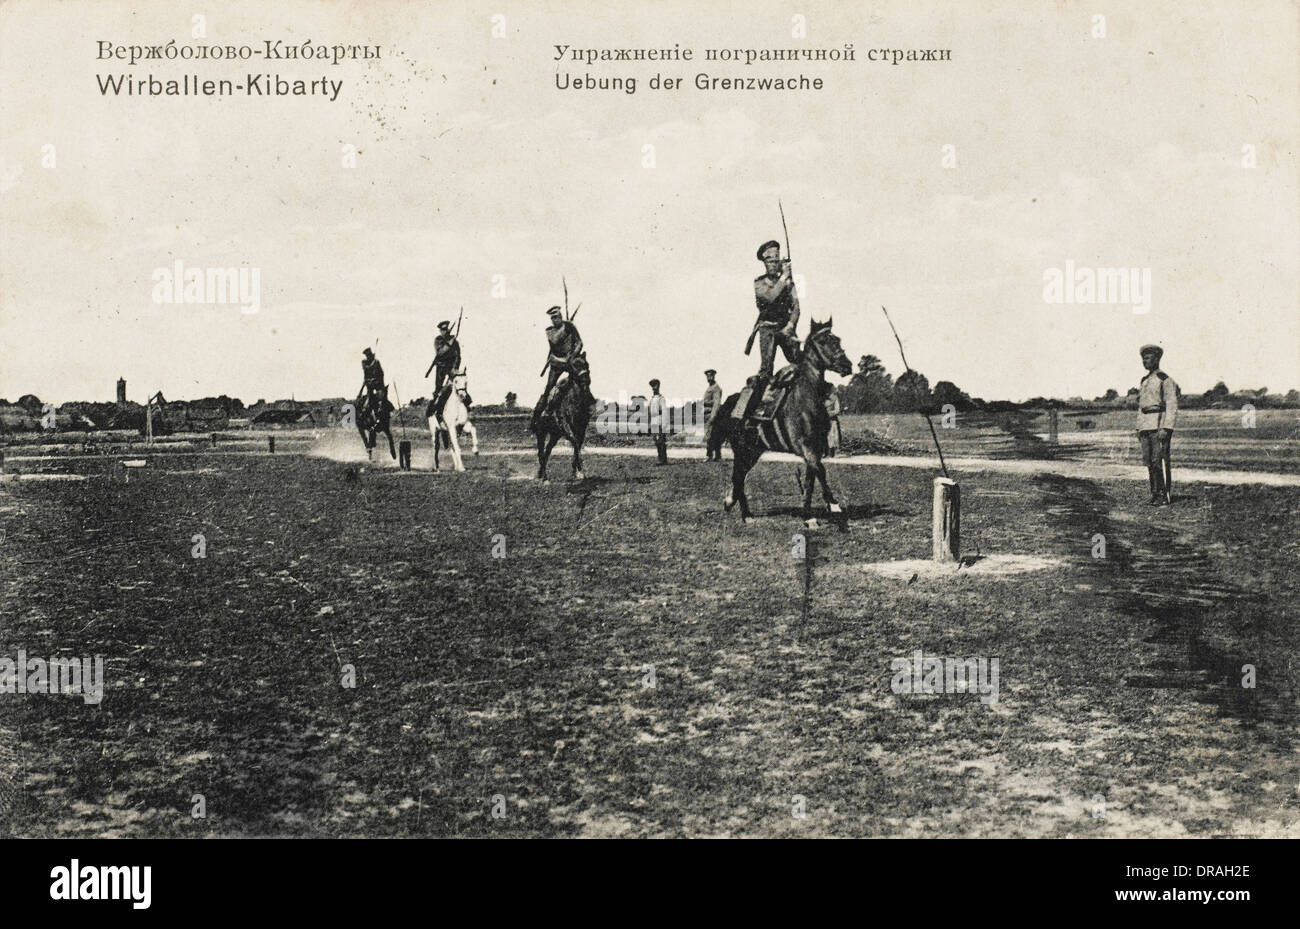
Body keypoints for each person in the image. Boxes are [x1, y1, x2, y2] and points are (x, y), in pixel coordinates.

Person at [735, 240, 800, 418]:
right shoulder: (759, 283)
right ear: (764, 263)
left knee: (801, 363)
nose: (774, 264)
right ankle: (755, 408)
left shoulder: (788, 282)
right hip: (767, 329)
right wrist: (783, 279)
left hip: (785, 329)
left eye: (777, 260)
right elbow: (769, 297)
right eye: (770, 260)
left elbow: (796, 307)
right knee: (766, 370)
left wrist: (790, 325)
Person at [533, 306, 590, 430]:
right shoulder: (550, 332)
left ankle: (587, 403)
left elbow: (579, 343)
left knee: (582, 378)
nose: (555, 320)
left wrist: (573, 354)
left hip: (571, 360)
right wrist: (566, 328)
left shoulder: (570, 326)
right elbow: (555, 344)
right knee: (549, 387)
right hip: (557, 362)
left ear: (561, 316)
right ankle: (541, 415)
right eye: (552, 318)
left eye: (557, 317)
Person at [1136, 344, 1178, 506]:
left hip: (1158, 425)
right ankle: (1154, 493)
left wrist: (1166, 428)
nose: (1144, 361)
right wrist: (1138, 428)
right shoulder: (1145, 381)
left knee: (1158, 460)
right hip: (1146, 426)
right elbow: (1141, 406)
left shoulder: (1165, 379)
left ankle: (1164, 495)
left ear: (1157, 358)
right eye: (1143, 359)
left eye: (1147, 358)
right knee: (1149, 461)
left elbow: (1171, 404)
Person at [425, 320, 462, 417]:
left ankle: (465, 406)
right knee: (438, 390)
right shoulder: (438, 340)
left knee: (460, 386)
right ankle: (434, 410)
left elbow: (458, 356)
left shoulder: (454, 341)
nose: (445, 331)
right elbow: (440, 352)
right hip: (441, 368)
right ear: (440, 331)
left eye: (446, 329)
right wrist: (450, 343)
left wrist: (455, 368)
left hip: (451, 368)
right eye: (443, 330)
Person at [702, 369, 723, 460]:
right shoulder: (709, 388)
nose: (709, 377)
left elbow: (716, 403)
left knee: (710, 435)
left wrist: (713, 416)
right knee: (712, 435)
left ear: (714, 376)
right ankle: (717, 456)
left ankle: (709, 455)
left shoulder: (716, 388)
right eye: (707, 376)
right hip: (707, 414)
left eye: (710, 375)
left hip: (711, 414)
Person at [649, 379, 668, 465]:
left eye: (655, 385)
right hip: (654, 421)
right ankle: (660, 458)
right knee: (656, 441)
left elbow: (664, 411)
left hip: (659, 421)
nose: (654, 388)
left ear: (658, 386)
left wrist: (664, 424)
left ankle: (663, 459)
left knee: (661, 441)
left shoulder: (661, 398)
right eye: (652, 386)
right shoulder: (652, 399)